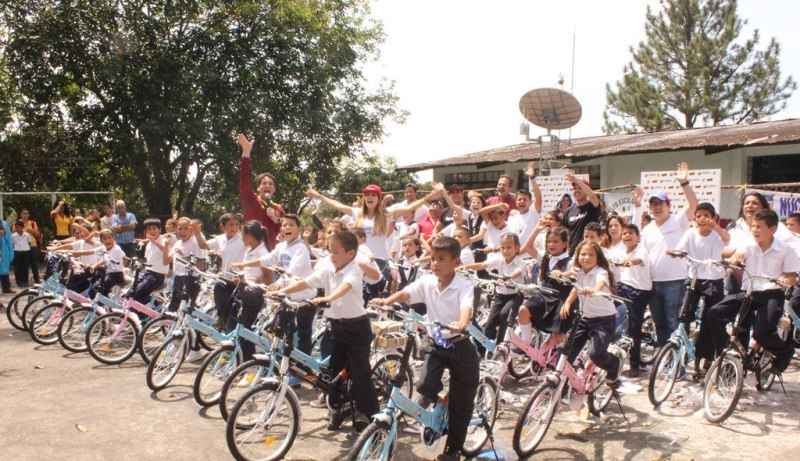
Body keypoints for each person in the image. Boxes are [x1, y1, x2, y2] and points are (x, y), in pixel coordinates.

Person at [374, 236, 478, 461]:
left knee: (461, 405)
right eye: (433, 258)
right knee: (424, 385)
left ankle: (453, 450)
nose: (435, 263)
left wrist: (462, 323)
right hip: (438, 344)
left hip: (460, 347)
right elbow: (407, 293)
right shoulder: (427, 280)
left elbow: (466, 305)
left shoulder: (464, 283)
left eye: (442, 259)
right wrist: (388, 300)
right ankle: (440, 409)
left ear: (456, 262)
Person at [273, 231, 380, 432]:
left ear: (351, 253)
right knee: (335, 373)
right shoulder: (329, 269)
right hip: (337, 327)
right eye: (330, 252)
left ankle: (371, 415)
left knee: (360, 373)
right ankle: (337, 409)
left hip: (357, 328)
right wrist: (281, 291)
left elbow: (346, 287)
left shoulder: (354, 270)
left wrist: (328, 299)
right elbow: (307, 281)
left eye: (336, 253)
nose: (332, 256)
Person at [707, 210, 800, 375]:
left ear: (772, 229)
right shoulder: (749, 245)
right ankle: (727, 353)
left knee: (761, 333)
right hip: (748, 292)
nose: (755, 230)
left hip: (771, 294)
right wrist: (733, 260)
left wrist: (786, 280)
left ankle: (785, 351)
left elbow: (792, 277)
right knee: (714, 313)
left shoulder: (786, 250)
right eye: (753, 227)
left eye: (759, 227)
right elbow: (738, 255)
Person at [232, 214, 316, 353]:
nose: (287, 227)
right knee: (276, 328)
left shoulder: (301, 248)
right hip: (288, 297)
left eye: (291, 224)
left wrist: (278, 284)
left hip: (304, 298)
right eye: (284, 225)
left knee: (303, 334)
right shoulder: (282, 246)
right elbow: (266, 259)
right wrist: (243, 263)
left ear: (299, 228)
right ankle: (281, 359)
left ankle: (303, 368)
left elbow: (292, 271)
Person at [640, 162, 698, 346]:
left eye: (660, 204)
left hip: (675, 281)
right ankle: (665, 361)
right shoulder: (647, 229)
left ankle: (677, 367)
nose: (657, 207)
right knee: (659, 325)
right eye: (653, 204)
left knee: (675, 323)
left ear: (668, 205)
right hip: (653, 283)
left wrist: (684, 183)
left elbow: (694, 206)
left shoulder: (678, 220)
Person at [671, 203, 729, 373]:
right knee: (684, 314)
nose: (702, 219)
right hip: (694, 278)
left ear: (713, 218)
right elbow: (680, 249)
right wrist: (674, 253)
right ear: (694, 219)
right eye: (698, 216)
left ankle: (707, 356)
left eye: (706, 215)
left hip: (714, 280)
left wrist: (716, 227)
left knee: (710, 319)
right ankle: (681, 346)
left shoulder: (717, 235)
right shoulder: (690, 233)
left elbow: (727, 239)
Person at [561, 240, 623, 387]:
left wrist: (594, 290)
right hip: (585, 318)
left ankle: (614, 363)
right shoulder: (579, 272)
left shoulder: (601, 272)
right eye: (583, 254)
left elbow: (600, 284)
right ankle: (563, 386)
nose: (586, 258)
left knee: (596, 355)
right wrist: (568, 302)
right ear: (577, 256)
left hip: (604, 320)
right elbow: (576, 288)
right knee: (565, 353)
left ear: (598, 258)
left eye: (591, 255)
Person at [461, 232, 526, 355]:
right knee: (490, 324)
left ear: (517, 248)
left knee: (504, 315)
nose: (505, 251)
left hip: (515, 296)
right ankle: (484, 349)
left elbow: (516, 273)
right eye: (502, 247)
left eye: (509, 247)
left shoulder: (521, 263)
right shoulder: (499, 259)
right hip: (501, 295)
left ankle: (500, 347)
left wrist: (507, 278)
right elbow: (483, 264)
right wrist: (466, 267)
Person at [222, 220, 269, 362]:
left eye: (242, 234)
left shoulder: (263, 252)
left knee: (245, 330)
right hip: (242, 291)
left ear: (249, 235)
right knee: (232, 323)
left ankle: (249, 365)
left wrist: (251, 279)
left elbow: (267, 278)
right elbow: (247, 271)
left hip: (254, 294)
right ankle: (235, 356)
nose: (241, 237)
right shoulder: (249, 250)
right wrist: (240, 277)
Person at [610, 223, 652, 376]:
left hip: (639, 292)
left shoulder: (642, 251)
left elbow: (639, 260)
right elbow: (608, 258)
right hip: (624, 287)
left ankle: (634, 364)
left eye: (630, 233)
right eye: (624, 233)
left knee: (635, 327)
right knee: (608, 314)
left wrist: (630, 262)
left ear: (638, 237)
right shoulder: (621, 251)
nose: (627, 236)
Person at [519, 227, 573, 344]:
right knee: (523, 310)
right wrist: (537, 228)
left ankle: (560, 360)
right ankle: (525, 344)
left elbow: (576, 272)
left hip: (561, 301)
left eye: (555, 241)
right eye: (549, 241)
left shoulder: (570, 261)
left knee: (558, 339)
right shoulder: (546, 258)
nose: (551, 244)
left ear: (565, 244)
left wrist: (563, 274)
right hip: (544, 297)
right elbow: (528, 247)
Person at [194, 213, 246, 328]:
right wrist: (197, 232)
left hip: (241, 278)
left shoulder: (243, 238)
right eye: (231, 225)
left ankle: (230, 324)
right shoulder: (220, 238)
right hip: (227, 276)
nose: (234, 228)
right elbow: (203, 245)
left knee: (234, 306)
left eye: (237, 225)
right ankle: (223, 319)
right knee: (218, 286)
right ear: (223, 227)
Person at [237, 133, 284, 250]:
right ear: (258, 187)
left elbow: (284, 231)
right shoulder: (250, 199)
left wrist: (276, 220)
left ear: (274, 189)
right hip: (249, 250)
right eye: (264, 183)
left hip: (270, 253)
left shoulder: (278, 209)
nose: (267, 186)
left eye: (270, 184)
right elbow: (244, 180)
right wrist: (246, 154)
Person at [164, 217, 202, 313]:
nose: (182, 231)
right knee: (173, 307)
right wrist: (166, 245)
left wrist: (183, 255)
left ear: (191, 230)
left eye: (185, 228)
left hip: (190, 279)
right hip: (178, 278)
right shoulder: (177, 243)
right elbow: (166, 261)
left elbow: (200, 266)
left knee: (186, 309)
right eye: (180, 229)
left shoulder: (195, 243)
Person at [129, 218, 170, 305]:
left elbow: (165, 251)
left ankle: (157, 303)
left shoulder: (164, 240)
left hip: (157, 276)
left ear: (160, 229)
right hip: (148, 273)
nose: (152, 231)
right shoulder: (149, 244)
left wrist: (154, 241)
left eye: (154, 228)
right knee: (130, 293)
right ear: (145, 232)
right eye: (149, 229)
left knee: (137, 293)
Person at [562, 173, 601, 255]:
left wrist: (577, 181)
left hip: (590, 252)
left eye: (580, 188)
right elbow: (566, 234)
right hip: (573, 254)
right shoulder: (569, 211)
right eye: (574, 188)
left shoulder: (592, 206)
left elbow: (592, 196)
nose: (576, 191)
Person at [19, 209, 42, 284]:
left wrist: (32, 231)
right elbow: (13, 233)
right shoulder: (18, 223)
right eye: (23, 213)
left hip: (32, 245)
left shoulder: (32, 223)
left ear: (29, 215)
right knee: (24, 264)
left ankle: (37, 279)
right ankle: (24, 281)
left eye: (27, 213)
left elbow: (38, 234)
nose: (25, 215)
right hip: (22, 247)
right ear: (21, 214)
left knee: (34, 263)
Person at [12, 221, 32, 287]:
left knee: (25, 267)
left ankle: (25, 281)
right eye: (16, 227)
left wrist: (25, 248)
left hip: (25, 252)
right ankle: (19, 282)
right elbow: (12, 244)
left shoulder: (27, 235)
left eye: (18, 227)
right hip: (17, 252)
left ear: (22, 227)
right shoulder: (13, 235)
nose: (17, 229)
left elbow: (29, 243)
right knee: (17, 268)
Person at [0, 220, 14, 293]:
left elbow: (3, 233)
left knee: (4, 270)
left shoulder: (2, 223)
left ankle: (6, 287)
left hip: (2, 250)